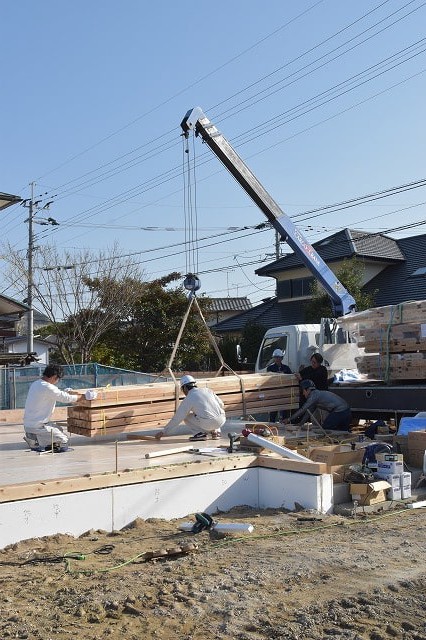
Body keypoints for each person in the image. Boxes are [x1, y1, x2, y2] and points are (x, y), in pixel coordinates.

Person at [23, 365, 84, 452]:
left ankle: (34, 438)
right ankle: (36, 441)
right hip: (38, 425)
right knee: (63, 441)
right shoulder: (48, 387)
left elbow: (54, 394)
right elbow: (65, 398)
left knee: (59, 429)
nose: (58, 381)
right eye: (58, 379)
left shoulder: (36, 384)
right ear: (55, 377)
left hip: (30, 424)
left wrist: (64, 392)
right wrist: (83, 397)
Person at [155, 375, 226, 442]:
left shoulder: (189, 398)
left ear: (185, 388)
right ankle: (216, 432)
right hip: (221, 420)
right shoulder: (207, 390)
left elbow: (178, 417)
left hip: (208, 423)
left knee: (186, 417)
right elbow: (221, 404)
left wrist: (163, 431)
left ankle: (199, 434)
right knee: (210, 412)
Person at [284, 379, 352, 431]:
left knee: (326, 427)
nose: (303, 394)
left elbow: (303, 409)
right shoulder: (316, 396)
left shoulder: (313, 396)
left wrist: (289, 419)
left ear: (308, 389)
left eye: (303, 391)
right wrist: (301, 423)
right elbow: (309, 412)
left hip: (340, 411)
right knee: (342, 431)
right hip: (345, 410)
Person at [266, 348, 292, 423]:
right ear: (274, 358)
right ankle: (272, 426)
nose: (277, 359)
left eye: (279, 357)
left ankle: (284, 426)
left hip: (284, 393)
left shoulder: (286, 368)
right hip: (274, 393)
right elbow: (268, 380)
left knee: (285, 413)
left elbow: (290, 378)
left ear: (282, 358)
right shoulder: (270, 368)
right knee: (273, 413)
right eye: (276, 357)